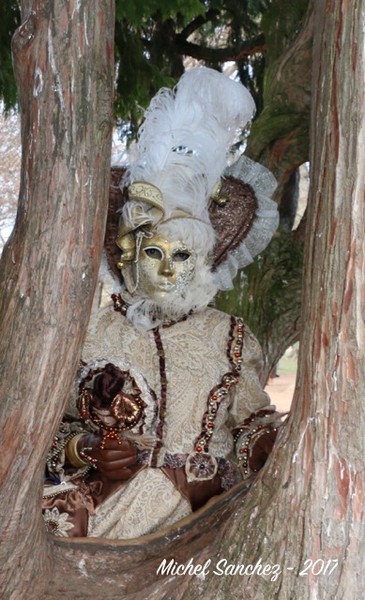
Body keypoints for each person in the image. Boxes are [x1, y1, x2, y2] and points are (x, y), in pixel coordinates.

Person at [42, 67, 282, 539]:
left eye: (183, 255)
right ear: (130, 255)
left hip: (207, 515)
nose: (170, 270)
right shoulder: (90, 331)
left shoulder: (229, 336)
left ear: (204, 262)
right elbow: (43, 430)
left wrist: (268, 444)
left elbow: (252, 423)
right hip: (105, 514)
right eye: (155, 253)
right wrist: (86, 449)